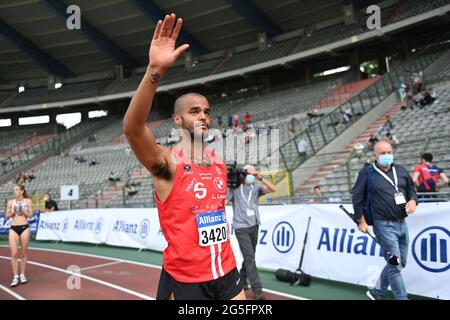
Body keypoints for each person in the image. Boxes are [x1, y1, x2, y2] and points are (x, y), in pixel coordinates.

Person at [123, 14, 245, 300]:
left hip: (226, 272)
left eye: (206, 111)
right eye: (194, 111)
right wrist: (154, 71)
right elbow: (132, 128)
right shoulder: (167, 164)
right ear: (178, 120)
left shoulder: (217, 163)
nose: (203, 115)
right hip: (186, 280)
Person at [352, 140, 417, 300]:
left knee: (399, 263)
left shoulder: (400, 170)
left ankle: (377, 291)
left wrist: (413, 201)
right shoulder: (367, 173)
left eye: (389, 152)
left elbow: (411, 190)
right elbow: (357, 197)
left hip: (402, 224)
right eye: (382, 153)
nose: (387, 156)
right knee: (395, 264)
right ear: (375, 155)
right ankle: (402, 298)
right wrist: (361, 221)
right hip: (384, 226)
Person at [226, 165, 276, 300]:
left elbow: (273, 189)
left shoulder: (256, 188)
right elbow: (225, 200)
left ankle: (242, 280)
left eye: (253, 174)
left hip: (254, 226)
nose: (251, 176)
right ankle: (257, 289)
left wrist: (260, 176)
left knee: (250, 257)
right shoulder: (235, 188)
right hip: (241, 227)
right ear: (242, 174)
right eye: (249, 174)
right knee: (249, 258)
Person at [6, 184, 33, 287]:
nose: (15, 191)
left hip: (24, 227)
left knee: (24, 252)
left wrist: (23, 211)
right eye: (14, 190)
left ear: (22, 191)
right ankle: (15, 277)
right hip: (13, 228)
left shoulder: (28, 201)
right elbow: (7, 216)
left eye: (17, 190)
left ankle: (22, 274)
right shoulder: (10, 202)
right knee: (13, 253)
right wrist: (13, 212)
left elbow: (31, 215)